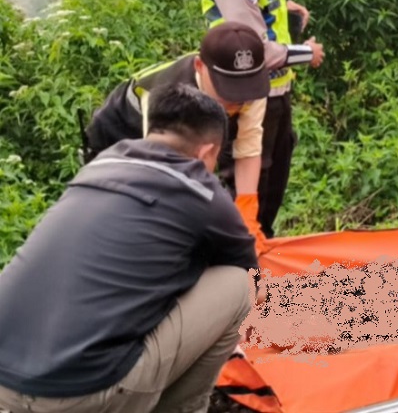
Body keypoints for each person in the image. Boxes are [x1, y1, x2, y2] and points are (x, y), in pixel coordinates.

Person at [0, 83, 263, 413]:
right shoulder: (200, 188)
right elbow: (254, 281)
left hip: (5, 377)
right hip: (81, 391)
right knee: (239, 285)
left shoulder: (100, 165)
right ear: (206, 152)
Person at [201, 0, 326, 238]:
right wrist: (306, 53)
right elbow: (253, 48)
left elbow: (261, 9)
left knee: (274, 178)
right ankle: (243, 253)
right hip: (247, 95)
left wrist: (287, 7)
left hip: (275, 91)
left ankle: (261, 247)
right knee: (249, 180)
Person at [83, 21, 270, 202]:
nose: (238, 99)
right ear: (200, 67)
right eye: (228, 89)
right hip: (120, 135)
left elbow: (248, 148)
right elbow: (163, 171)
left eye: (245, 88)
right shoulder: (167, 97)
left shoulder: (253, 87)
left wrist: (246, 205)